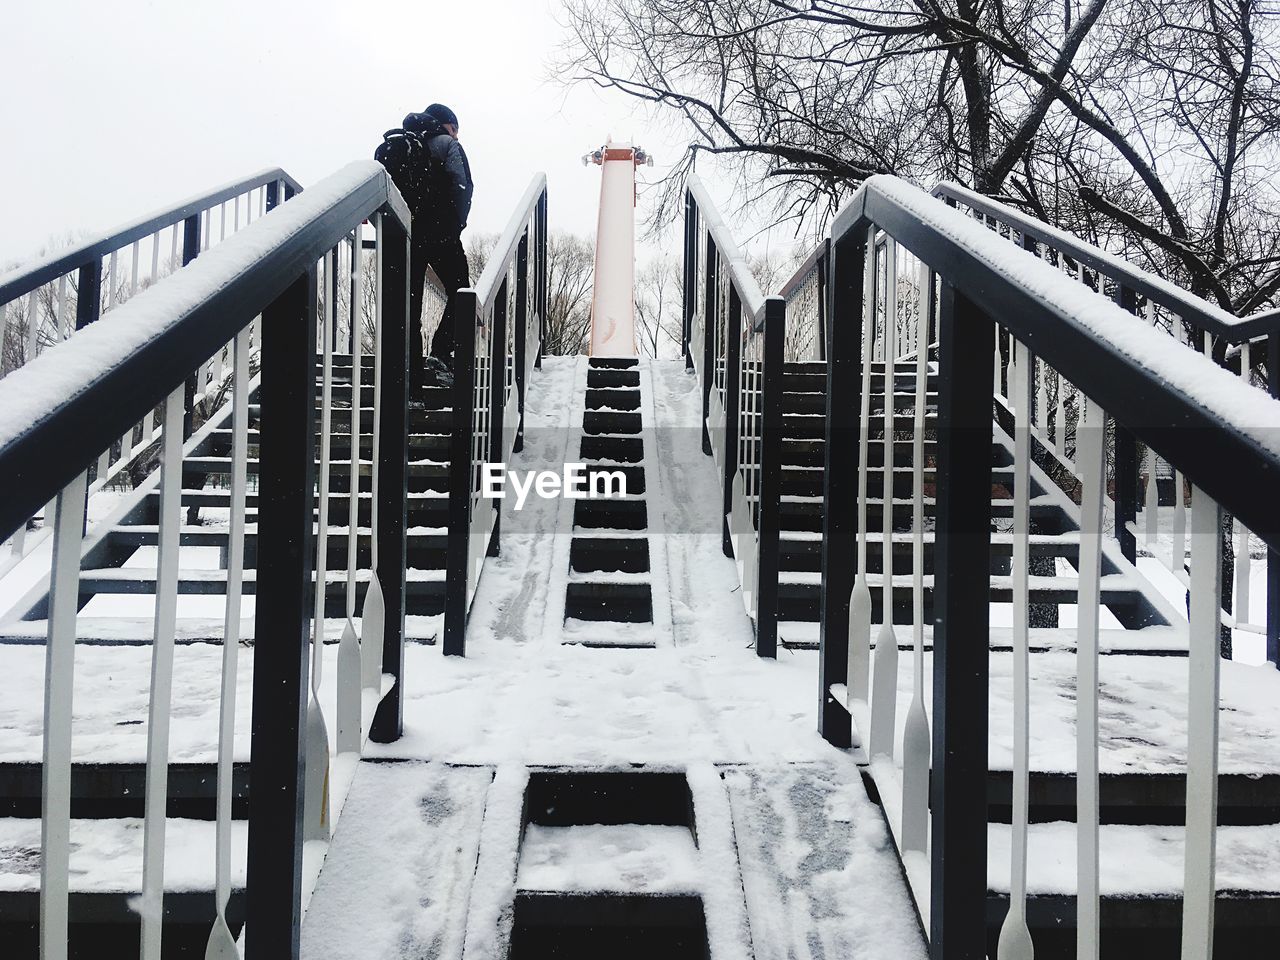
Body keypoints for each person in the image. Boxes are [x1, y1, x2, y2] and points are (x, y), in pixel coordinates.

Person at [402, 103, 473, 391]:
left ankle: (407, 371)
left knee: (409, 305)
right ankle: (441, 354)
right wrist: (455, 224)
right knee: (462, 293)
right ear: (445, 124)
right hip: (441, 232)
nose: (456, 135)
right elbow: (463, 185)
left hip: (408, 233)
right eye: (454, 128)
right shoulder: (447, 144)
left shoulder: (404, 143)